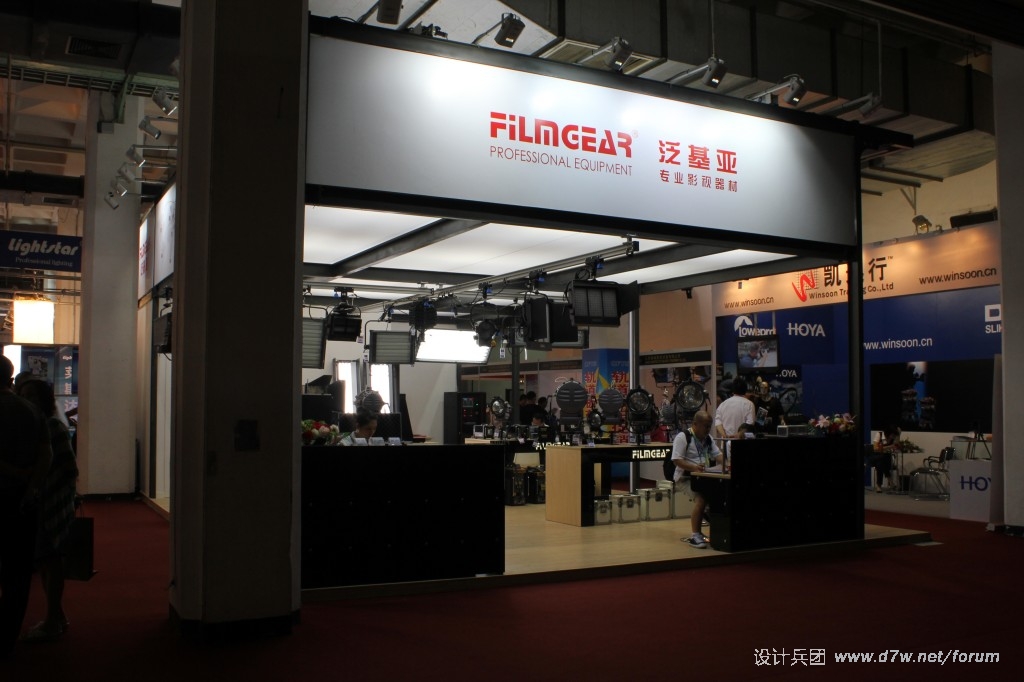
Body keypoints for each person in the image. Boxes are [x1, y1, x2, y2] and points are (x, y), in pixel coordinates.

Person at [16, 378, 78, 642]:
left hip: (52, 503)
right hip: (42, 501)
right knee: (45, 560)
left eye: (32, 395)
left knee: (51, 561)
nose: (27, 400)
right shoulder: (40, 426)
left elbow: (69, 469)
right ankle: (57, 615)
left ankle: (53, 618)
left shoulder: (52, 426)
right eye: (23, 395)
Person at [0, 356, 53, 659]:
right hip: (21, 503)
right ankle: (7, 638)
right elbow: (46, 456)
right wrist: (30, 485)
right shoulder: (32, 411)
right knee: (17, 573)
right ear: (10, 379)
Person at [671, 411, 721, 549]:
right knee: (701, 499)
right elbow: (676, 460)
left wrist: (728, 463)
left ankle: (717, 531)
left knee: (718, 498)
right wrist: (693, 467)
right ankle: (695, 535)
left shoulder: (708, 438)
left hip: (704, 477)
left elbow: (718, 455)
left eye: (709, 426)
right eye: (705, 426)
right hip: (685, 478)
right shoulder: (683, 437)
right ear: (695, 424)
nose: (708, 429)